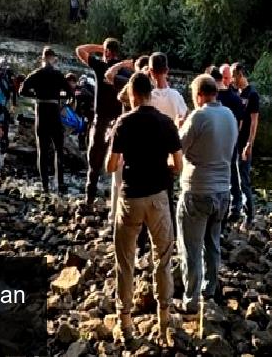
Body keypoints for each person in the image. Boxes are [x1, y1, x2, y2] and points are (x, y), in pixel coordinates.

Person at [106, 72, 182, 346]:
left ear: (133, 94)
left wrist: (118, 156)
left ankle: (125, 322)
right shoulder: (166, 123)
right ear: (150, 93)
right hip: (158, 197)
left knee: (125, 261)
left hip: (131, 198)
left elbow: (111, 166)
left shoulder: (123, 122)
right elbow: (178, 166)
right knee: (162, 258)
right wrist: (164, 166)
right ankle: (164, 320)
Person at [176, 75, 237, 313]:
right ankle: (209, 289)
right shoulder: (229, 115)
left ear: (199, 95)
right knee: (212, 244)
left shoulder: (198, 116)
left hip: (198, 190)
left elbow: (178, 149)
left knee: (191, 247)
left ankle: (191, 300)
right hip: (223, 191)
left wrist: (179, 126)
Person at [76, 38, 128, 205]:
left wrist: (99, 48)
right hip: (119, 121)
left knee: (94, 163)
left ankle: (89, 200)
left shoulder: (100, 66)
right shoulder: (125, 71)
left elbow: (80, 50)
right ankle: (117, 201)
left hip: (102, 120)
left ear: (106, 52)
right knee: (120, 164)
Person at [21, 47, 70, 193]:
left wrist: (36, 95)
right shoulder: (58, 74)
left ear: (42, 59)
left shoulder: (36, 74)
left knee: (42, 150)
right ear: (53, 59)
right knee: (58, 149)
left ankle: (45, 186)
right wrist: (58, 96)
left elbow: (22, 91)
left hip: (41, 111)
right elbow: (69, 93)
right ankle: (60, 183)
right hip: (54, 111)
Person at [228, 62, 259, 228]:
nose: (231, 80)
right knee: (232, 178)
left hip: (244, 142)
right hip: (233, 141)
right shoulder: (235, 92)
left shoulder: (252, 94)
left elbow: (254, 121)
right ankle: (235, 210)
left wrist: (249, 143)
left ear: (240, 75)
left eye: (233, 76)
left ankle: (249, 215)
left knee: (243, 180)